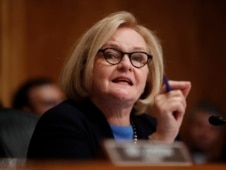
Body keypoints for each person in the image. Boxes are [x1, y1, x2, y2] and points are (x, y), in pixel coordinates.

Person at [27, 11, 191, 160]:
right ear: (86, 65)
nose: (126, 65)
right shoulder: (62, 122)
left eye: (138, 58)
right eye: (111, 55)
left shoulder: (157, 127)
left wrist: (166, 135)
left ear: (149, 76)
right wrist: (159, 144)